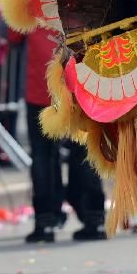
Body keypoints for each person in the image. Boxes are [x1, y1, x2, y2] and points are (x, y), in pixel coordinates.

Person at [22, 26, 107, 243]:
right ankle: (94, 219)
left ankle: (45, 222)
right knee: (84, 149)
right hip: (79, 80)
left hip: (42, 84)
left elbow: (15, 30)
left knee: (43, 155)